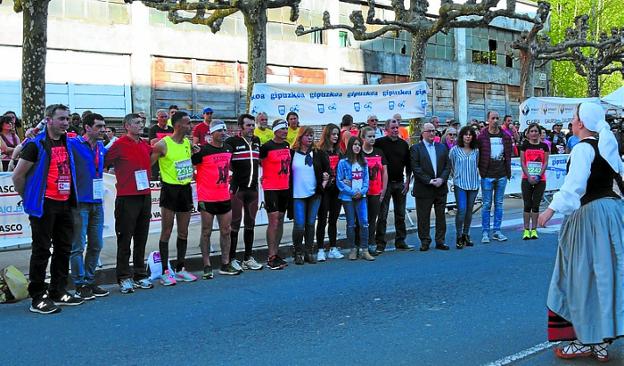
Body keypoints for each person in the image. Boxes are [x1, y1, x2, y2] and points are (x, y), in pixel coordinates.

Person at [538, 102, 624, 362]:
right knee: (606, 275)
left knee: (579, 277)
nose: (572, 122)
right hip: (612, 213)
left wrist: (549, 211)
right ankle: (601, 340)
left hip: (590, 216)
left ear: (582, 123)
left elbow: (574, 186)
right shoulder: (607, 146)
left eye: (574, 118)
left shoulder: (583, 148)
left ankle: (586, 339)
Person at [12, 104, 84, 314]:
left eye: (67, 119)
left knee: (64, 248)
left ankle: (58, 290)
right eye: (61, 118)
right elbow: (17, 176)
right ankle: (37, 296)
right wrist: (29, 198)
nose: (65, 123)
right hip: (45, 205)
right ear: (49, 120)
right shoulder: (36, 144)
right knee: (42, 250)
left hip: (65, 203)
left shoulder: (68, 141)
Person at [104, 113, 154, 294]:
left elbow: (155, 153)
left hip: (145, 195)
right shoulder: (118, 145)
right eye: (136, 123)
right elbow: (103, 161)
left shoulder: (143, 144)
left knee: (141, 237)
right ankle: (124, 276)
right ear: (126, 126)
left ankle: (140, 274)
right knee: (125, 239)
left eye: (142, 122)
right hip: (127, 197)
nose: (141, 125)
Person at [150, 111, 198, 285]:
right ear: (178, 125)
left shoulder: (187, 143)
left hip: (185, 189)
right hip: (169, 190)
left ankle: (180, 268)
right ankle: (165, 271)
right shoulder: (163, 144)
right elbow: (149, 164)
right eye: (188, 123)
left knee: (184, 231)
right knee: (167, 231)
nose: (191, 126)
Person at [69, 113, 110, 300]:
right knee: (78, 246)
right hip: (79, 203)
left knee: (96, 245)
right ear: (87, 127)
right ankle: (79, 284)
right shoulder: (73, 144)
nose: (103, 129)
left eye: (103, 126)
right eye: (99, 126)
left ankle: (89, 280)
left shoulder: (101, 147)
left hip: (97, 203)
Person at [192, 120, 241, 278]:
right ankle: (207, 265)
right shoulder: (203, 151)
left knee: (226, 231)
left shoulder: (228, 148)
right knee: (206, 232)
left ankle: (225, 264)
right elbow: (190, 166)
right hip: (207, 197)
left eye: (224, 130)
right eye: (219, 130)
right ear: (211, 133)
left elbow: (231, 168)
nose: (223, 133)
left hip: (224, 196)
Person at [225, 114, 263, 271]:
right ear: (241, 127)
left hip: (253, 190)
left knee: (250, 223)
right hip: (238, 190)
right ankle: (232, 258)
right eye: (248, 125)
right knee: (234, 224)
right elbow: (226, 162)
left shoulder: (256, 141)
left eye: (253, 125)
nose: (252, 128)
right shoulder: (232, 142)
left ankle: (248, 258)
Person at [289, 127, 330, 264]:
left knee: (311, 224)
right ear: (300, 137)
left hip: (314, 194)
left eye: (312, 135)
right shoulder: (292, 153)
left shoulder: (318, 153)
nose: (310, 138)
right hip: (297, 194)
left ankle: (308, 251)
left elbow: (328, 171)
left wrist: (324, 182)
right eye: (307, 135)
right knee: (299, 225)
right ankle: (298, 252)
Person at [374, 118, 412, 254]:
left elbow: (409, 165)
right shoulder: (379, 143)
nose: (396, 130)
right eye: (393, 128)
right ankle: (380, 243)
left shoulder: (403, 144)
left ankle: (401, 241)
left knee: (400, 214)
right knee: (382, 215)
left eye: (397, 127)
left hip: (400, 183)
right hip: (385, 185)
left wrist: (407, 182)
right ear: (386, 129)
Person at [410, 122, 450, 251]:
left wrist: (441, 179)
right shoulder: (416, 148)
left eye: (434, 131)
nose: (432, 133)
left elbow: (447, 166)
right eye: (429, 131)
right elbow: (416, 168)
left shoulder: (442, 147)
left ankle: (440, 240)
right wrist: (429, 181)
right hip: (424, 188)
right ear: (423, 133)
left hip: (440, 187)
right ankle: (425, 241)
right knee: (423, 217)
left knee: (441, 216)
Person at [259, 119, 292, 270]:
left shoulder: (286, 145)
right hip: (271, 188)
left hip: (284, 187)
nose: (286, 131)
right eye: (283, 129)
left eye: (286, 129)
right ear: (276, 131)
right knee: (273, 221)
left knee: (280, 220)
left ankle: (276, 252)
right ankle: (271, 256)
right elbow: (258, 163)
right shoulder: (266, 147)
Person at [337, 136, 375, 261]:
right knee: (351, 224)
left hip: (361, 197)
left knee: (364, 223)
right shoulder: (343, 163)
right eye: (355, 144)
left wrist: (362, 192)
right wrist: (352, 192)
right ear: (350, 146)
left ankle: (365, 250)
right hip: (348, 198)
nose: (357, 147)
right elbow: (340, 181)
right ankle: (353, 249)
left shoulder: (364, 162)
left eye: (359, 144)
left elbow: (366, 180)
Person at [477, 111, 512, 243]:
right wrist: (482, 172)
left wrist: (507, 172)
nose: (495, 120)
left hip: (502, 174)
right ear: (488, 120)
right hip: (487, 175)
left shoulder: (506, 137)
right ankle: (485, 232)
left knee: (499, 203)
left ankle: (497, 230)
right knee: (486, 204)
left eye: (497, 118)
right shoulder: (482, 136)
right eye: (493, 118)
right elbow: (478, 154)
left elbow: (508, 155)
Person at [315, 123, 344, 261]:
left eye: (337, 134)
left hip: (337, 189)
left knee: (334, 219)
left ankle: (333, 248)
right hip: (324, 190)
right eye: (333, 134)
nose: (336, 136)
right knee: (322, 219)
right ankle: (320, 249)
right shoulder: (319, 151)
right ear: (327, 135)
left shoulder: (339, 151)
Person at [449, 126, 480, 249]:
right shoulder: (454, 150)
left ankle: (466, 234)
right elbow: (451, 165)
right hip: (460, 184)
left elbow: (476, 164)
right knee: (461, 210)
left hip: (473, 184)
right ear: (461, 136)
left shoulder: (476, 150)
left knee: (469, 211)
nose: (468, 136)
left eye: (470, 134)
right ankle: (459, 235)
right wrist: (455, 177)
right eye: (465, 134)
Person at [358, 126, 388, 255]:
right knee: (360, 220)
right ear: (363, 138)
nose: (372, 139)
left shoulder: (379, 152)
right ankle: (360, 245)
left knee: (372, 219)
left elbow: (384, 172)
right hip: (361, 193)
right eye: (369, 136)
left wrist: (383, 189)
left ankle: (371, 243)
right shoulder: (359, 153)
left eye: (373, 136)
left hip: (376, 192)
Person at [519, 123, 549, 240]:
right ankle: (526, 230)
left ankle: (534, 230)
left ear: (539, 133)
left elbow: (545, 162)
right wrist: (529, 176)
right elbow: (522, 162)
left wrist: (538, 175)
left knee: (535, 205)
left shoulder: (544, 146)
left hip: (540, 179)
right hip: (526, 179)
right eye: (531, 131)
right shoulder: (524, 145)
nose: (534, 133)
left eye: (536, 131)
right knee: (527, 205)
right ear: (528, 133)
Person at [148, 109, 173, 180]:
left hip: (169, 158)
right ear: (157, 118)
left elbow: (175, 142)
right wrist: (168, 140)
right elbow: (153, 143)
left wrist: (160, 140)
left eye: (165, 117)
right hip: (157, 159)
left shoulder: (171, 129)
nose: (164, 119)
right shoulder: (153, 129)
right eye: (161, 117)